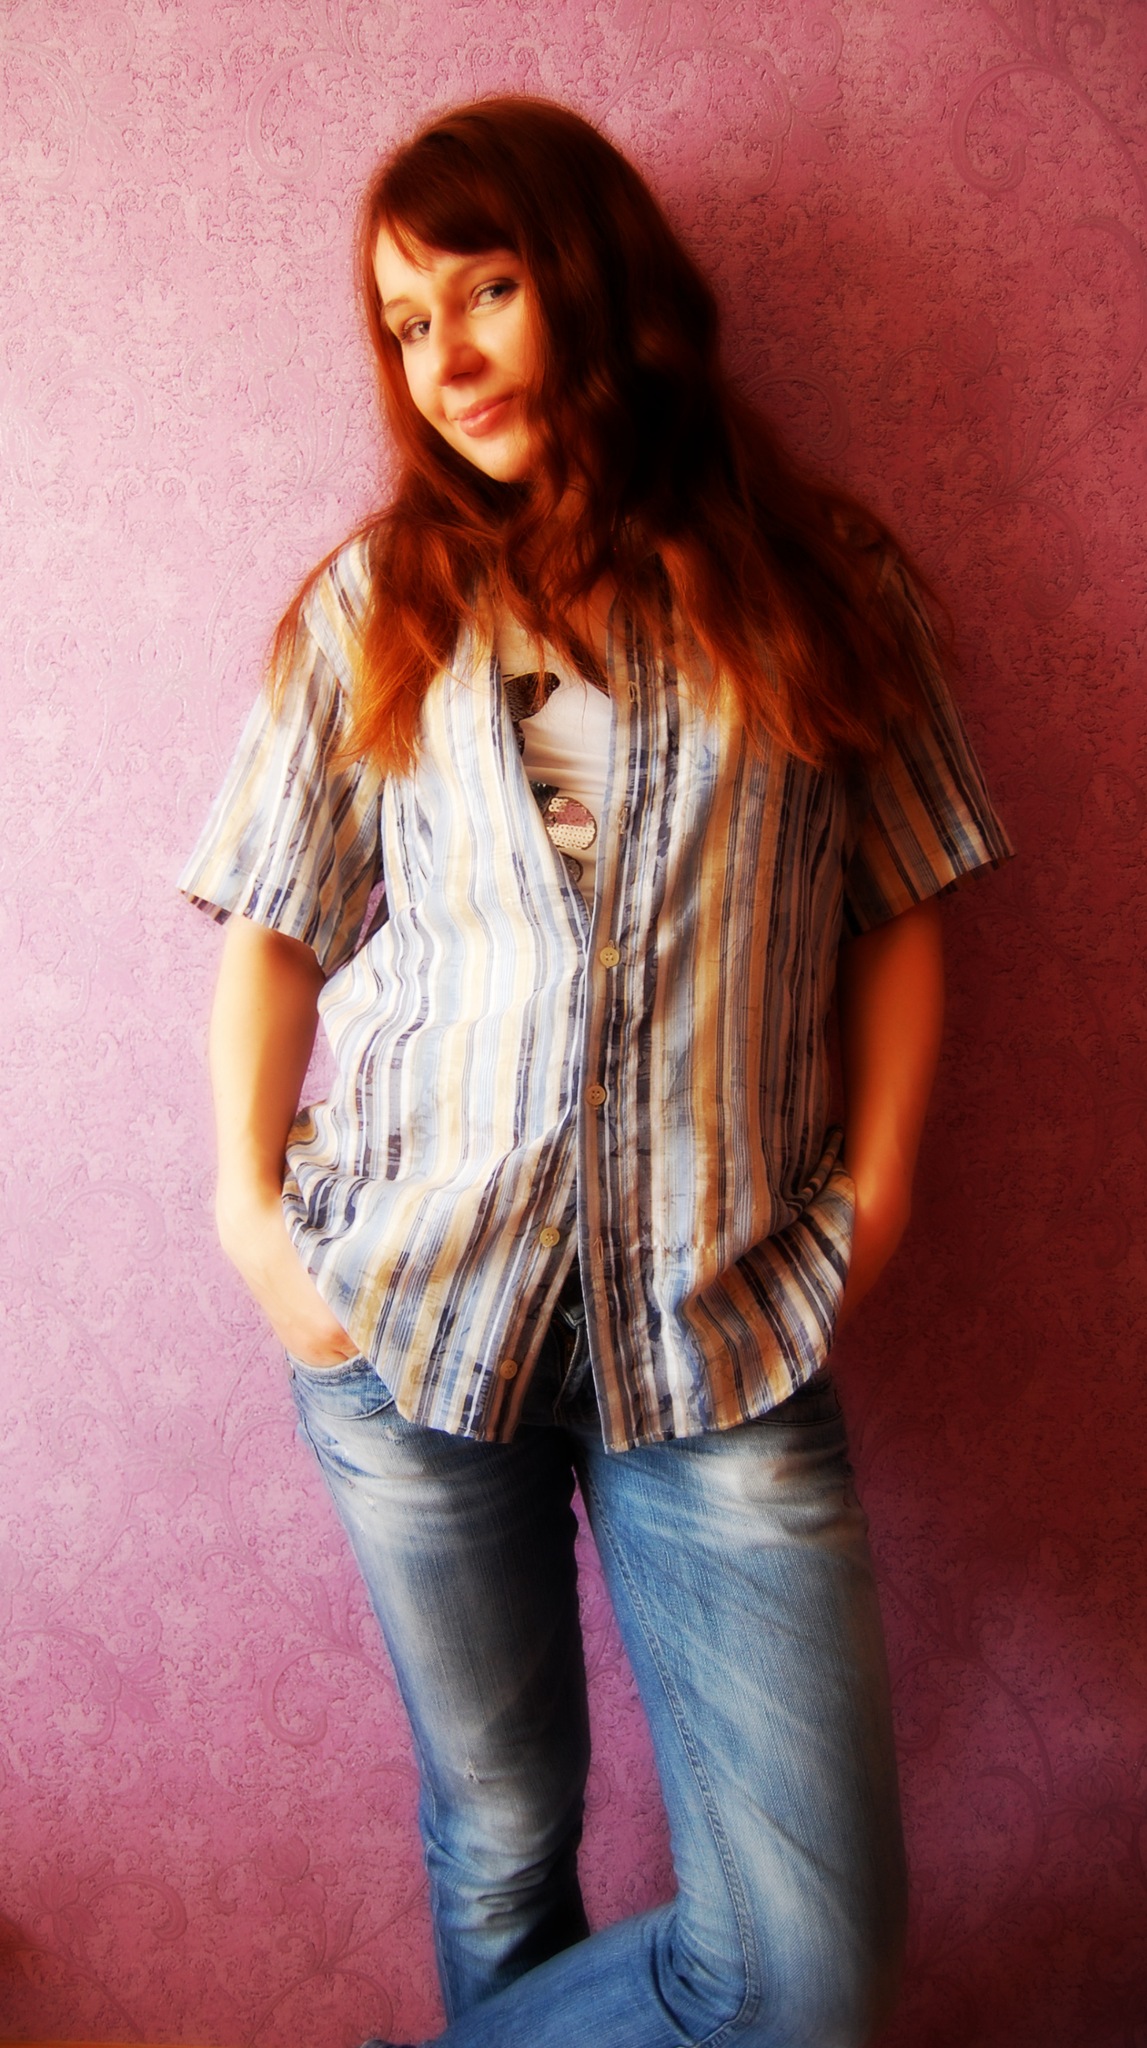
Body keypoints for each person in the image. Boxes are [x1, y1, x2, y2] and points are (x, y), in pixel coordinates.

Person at [181, 96, 1011, 2048]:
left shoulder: (820, 581)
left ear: (597, 277)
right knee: (499, 1841)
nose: (444, 357)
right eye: (405, 323)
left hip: (722, 1318)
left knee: (805, 1970)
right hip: (402, 1310)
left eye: (485, 289)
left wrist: (880, 1192)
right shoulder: (374, 605)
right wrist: (251, 1223)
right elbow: (277, 927)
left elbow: (900, 899)